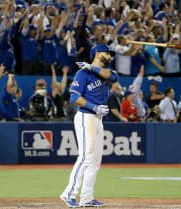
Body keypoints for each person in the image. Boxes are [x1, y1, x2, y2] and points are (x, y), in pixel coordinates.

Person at [60, 44, 118, 208]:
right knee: (86, 157)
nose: (110, 56)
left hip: (98, 119)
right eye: (107, 53)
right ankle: (69, 194)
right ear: (98, 53)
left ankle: (86, 197)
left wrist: (92, 67)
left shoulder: (103, 72)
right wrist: (94, 107)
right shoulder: (82, 73)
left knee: (95, 161)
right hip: (86, 116)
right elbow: (74, 97)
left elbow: (114, 77)